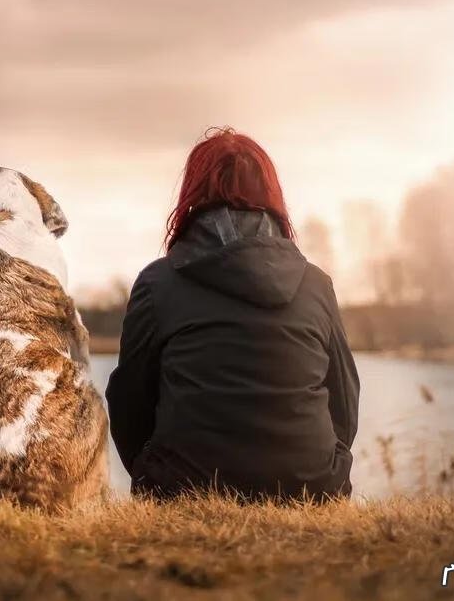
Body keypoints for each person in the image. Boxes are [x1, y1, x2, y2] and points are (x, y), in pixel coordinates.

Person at [105, 127, 359, 502]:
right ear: (271, 195)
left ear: (192, 194)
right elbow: (345, 400)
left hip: (184, 490)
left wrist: (152, 472)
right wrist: (325, 468)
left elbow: (129, 401)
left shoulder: (158, 283)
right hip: (312, 489)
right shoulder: (316, 284)